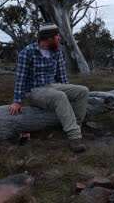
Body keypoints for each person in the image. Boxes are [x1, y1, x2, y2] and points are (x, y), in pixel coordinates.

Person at [9, 23, 88, 153]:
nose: (59, 38)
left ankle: (76, 126)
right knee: (59, 96)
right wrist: (17, 101)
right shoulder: (27, 52)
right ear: (48, 38)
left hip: (53, 86)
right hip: (34, 91)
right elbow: (20, 78)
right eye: (56, 36)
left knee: (82, 91)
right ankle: (75, 138)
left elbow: (61, 75)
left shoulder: (57, 51)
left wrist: (68, 91)